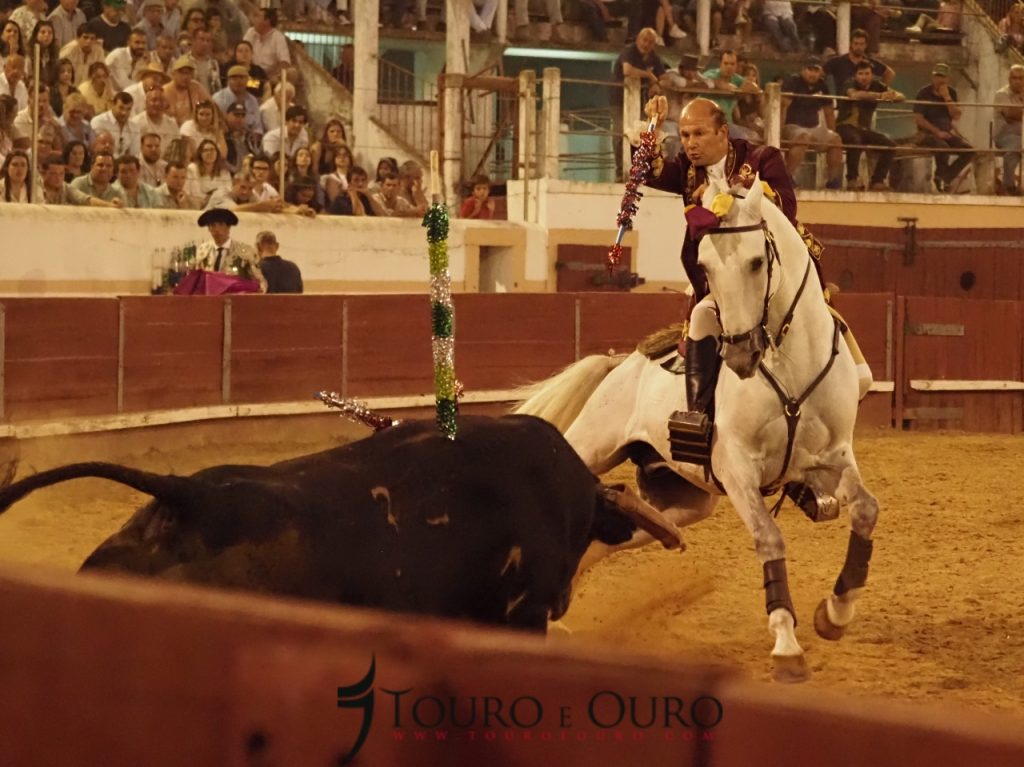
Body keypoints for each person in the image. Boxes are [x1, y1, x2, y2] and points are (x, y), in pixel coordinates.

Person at [640, 96, 870, 515]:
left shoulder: (762, 159)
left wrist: (733, 199)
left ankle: (810, 460)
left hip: (774, 281)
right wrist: (652, 128)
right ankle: (698, 417)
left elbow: (784, 208)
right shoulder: (686, 170)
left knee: (861, 376)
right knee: (701, 315)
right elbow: (647, 171)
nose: (690, 143)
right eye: (685, 135)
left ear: (722, 132)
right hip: (724, 284)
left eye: (699, 134)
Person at [836, 60, 903, 191]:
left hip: (864, 129)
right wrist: (880, 95)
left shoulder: (877, 85)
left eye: (867, 73)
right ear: (855, 75)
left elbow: (901, 97)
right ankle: (852, 180)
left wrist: (892, 96)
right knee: (855, 140)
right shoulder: (849, 83)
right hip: (845, 126)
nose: (864, 77)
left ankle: (877, 181)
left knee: (890, 145)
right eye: (860, 74)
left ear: (872, 75)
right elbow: (855, 94)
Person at [610, 27, 665, 180]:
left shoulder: (654, 58)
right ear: (638, 39)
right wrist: (649, 75)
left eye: (650, 42)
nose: (646, 44)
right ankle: (620, 171)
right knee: (620, 134)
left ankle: (639, 170)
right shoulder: (629, 51)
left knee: (641, 135)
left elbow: (664, 77)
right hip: (618, 100)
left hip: (642, 102)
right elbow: (627, 70)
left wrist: (657, 84)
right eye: (644, 40)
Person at [781, 56, 842, 189]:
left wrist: (831, 132)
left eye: (816, 70)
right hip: (791, 127)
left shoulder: (822, 85)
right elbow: (782, 107)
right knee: (803, 137)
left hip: (813, 128)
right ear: (803, 70)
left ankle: (833, 182)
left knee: (836, 139)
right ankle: (786, 178)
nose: (813, 74)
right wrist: (779, 133)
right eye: (810, 69)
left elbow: (829, 113)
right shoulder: (793, 82)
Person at [912, 62, 972, 193]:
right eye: (937, 76)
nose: (940, 80)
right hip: (926, 133)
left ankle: (944, 177)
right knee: (943, 147)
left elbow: (956, 115)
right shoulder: (924, 93)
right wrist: (937, 132)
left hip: (946, 132)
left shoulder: (951, 93)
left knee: (969, 151)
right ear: (933, 77)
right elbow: (919, 119)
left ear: (948, 78)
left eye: (943, 77)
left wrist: (947, 98)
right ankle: (941, 178)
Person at [195, 206, 265, 289]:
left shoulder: (246, 252)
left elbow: (260, 282)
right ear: (209, 229)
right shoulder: (202, 251)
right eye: (212, 225)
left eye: (221, 224)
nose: (217, 229)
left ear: (228, 227)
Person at [823, 28, 894, 95]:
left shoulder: (871, 63)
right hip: (844, 100)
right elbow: (821, 73)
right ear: (851, 44)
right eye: (856, 43)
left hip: (866, 101)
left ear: (866, 45)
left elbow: (889, 73)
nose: (858, 47)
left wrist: (880, 90)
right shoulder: (837, 61)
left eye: (861, 44)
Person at [994, 64, 1024, 195]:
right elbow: (1011, 114)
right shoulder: (1002, 94)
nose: (1017, 81)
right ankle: (1009, 184)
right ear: (1009, 79)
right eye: (1014, 78)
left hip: (1022, 134)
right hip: (1005, 135)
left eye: (1021, 78)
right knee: (1016, 146)